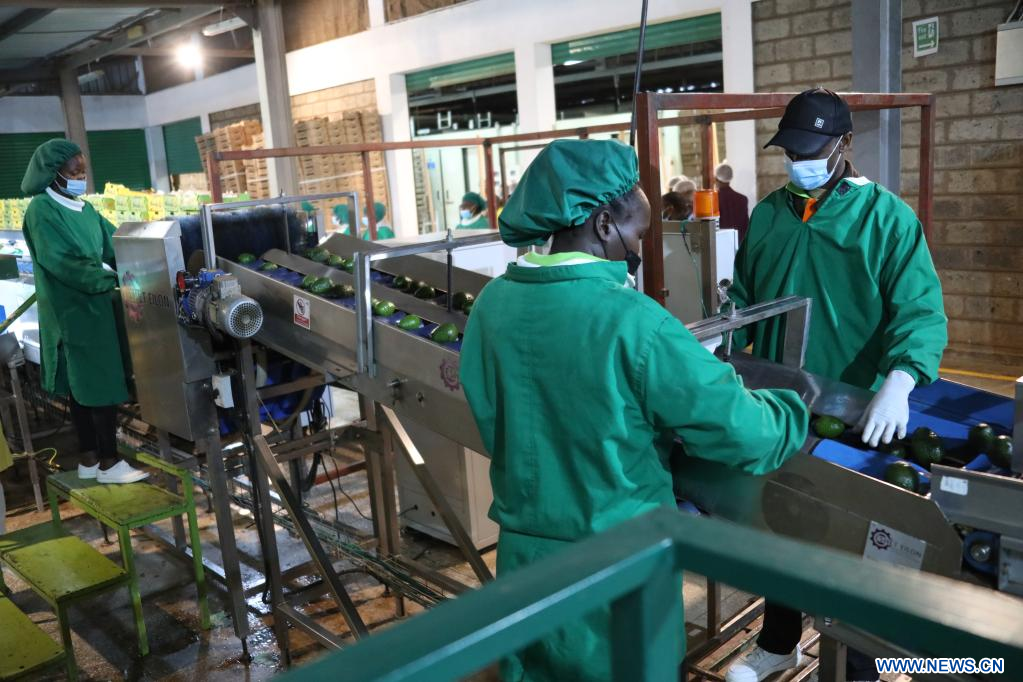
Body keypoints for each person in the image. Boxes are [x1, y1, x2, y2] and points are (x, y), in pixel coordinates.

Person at [460, 138, 809, 682]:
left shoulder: (492, 304)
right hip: (618, 568)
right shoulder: (633, 320)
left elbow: (493, 415)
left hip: (525, 560)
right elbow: (746, 432)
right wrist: (791, 407)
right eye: (639, 233)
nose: (639, 249)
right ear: (604, 224)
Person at [723, 89, 947, 682]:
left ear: (844, 144)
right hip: (781, 402)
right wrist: (718, 337)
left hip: (855, 409)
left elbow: (921, 311)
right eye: (791, 151)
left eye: (811, 150)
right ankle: (779, 643)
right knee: (782, 513)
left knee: (856, 532)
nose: (800, 161)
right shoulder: (769, 215)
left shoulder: (886, 219)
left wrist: (901, 379)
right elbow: (743, 297)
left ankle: (860, 664)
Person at [21, 139, 148, 484]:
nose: (81, 177)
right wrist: (109, 279)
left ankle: (89, 459)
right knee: (99, 383)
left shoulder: (84, 209)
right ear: (53, 172)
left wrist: (145, 254)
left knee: (83, 387)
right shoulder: (42, 211)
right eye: (74, 171)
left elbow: (114, 243)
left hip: (95, 307)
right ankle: (110, 462)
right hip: (73, 310)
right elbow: (62, 262)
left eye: (83, 170)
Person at [714, 162, 750, 242]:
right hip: (738, 243)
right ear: (731, 178)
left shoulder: (713, 199)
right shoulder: (742, 199)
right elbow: (746, 227)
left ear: (716, 178)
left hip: (720, 243)